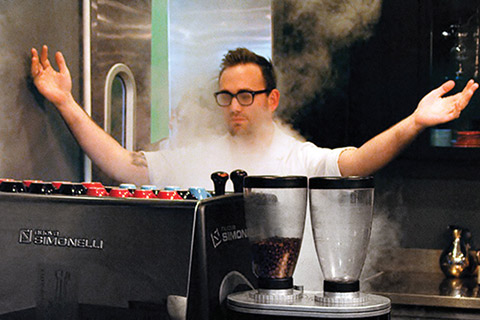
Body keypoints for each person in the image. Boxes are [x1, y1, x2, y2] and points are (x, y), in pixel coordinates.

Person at [31, 45, 478, 290]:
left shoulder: (297, 157)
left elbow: (358, 160)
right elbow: (123, 167)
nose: (234, 106)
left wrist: (416, 122)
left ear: (272, 99)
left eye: (247, 95)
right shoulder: (196, 154)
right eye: (226, 96)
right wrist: (66, 102)